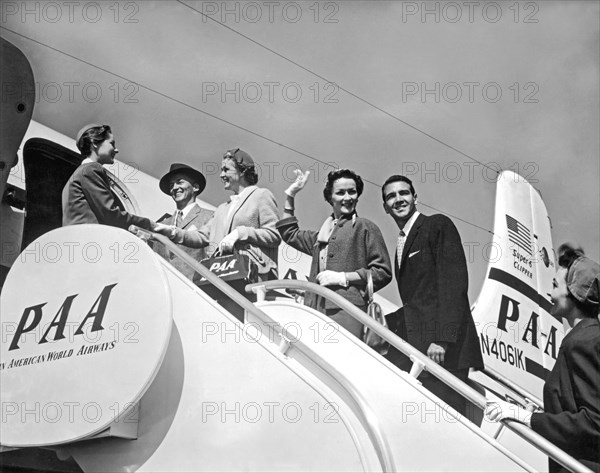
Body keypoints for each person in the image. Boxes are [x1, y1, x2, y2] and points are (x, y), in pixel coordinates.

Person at [486, 250, 600, 473]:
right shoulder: (588, 337)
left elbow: (594, 422)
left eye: (556, 285)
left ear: (574, 295)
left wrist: (528, 418)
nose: (549, 292)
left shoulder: (582, 342)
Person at [381, 174, 483, 415]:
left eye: (403, 193)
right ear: (385, 207)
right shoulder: (401, 241)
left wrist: (442, 339)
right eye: (391, 197)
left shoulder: (437, 225)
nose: (398, 199)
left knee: (446, 421)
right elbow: (418, 300)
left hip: (443, 351)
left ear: (415, 197)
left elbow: (453, 284)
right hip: (419, 347)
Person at [163, 148, 281, 319]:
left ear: (242, 171)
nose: (221, 175)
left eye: (226, 169)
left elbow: (274, 235)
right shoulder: (221, 209)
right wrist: (171, 231)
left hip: (253, 281)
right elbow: (201, 236)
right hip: (224, 282)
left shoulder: (261, 195)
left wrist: (240, 233)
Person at [276, 168, 392, 339]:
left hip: (348, 311)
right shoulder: (321, 237)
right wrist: (291, 195)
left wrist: (343, 277)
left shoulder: (365, 227)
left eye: (352, 192)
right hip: (314, 309)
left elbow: (383, 272)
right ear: (330, 197)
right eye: (340, 193)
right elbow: (289, 233)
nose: (347, 198)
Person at [62, 123, 156, 231]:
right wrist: (150, 224)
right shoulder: (91, 169)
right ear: (94, 143)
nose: (116, 150)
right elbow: (111, 215)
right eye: (112, 144)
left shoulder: (78, 174)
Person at [154, 163, 213, 280]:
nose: (175, 188)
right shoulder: (161, 225)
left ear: (195, 187)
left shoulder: (210, 217)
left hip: (199, 289)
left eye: (180, 182)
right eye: (171, 185)